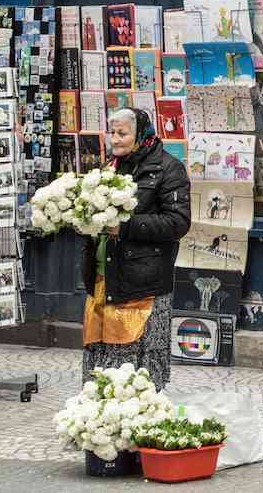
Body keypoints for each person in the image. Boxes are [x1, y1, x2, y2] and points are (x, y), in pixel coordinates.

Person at [81, 108, 190, 390]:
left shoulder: (169, 168)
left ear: (140, 134)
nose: (114, 139)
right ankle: (100, 410)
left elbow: (177, 222)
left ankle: (137, 413)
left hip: (144, 281)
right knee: (100, 347)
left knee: (139, 354)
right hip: (105, 275)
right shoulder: (110, 167)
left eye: (122, 133)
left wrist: (125, 227)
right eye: (111, 132)